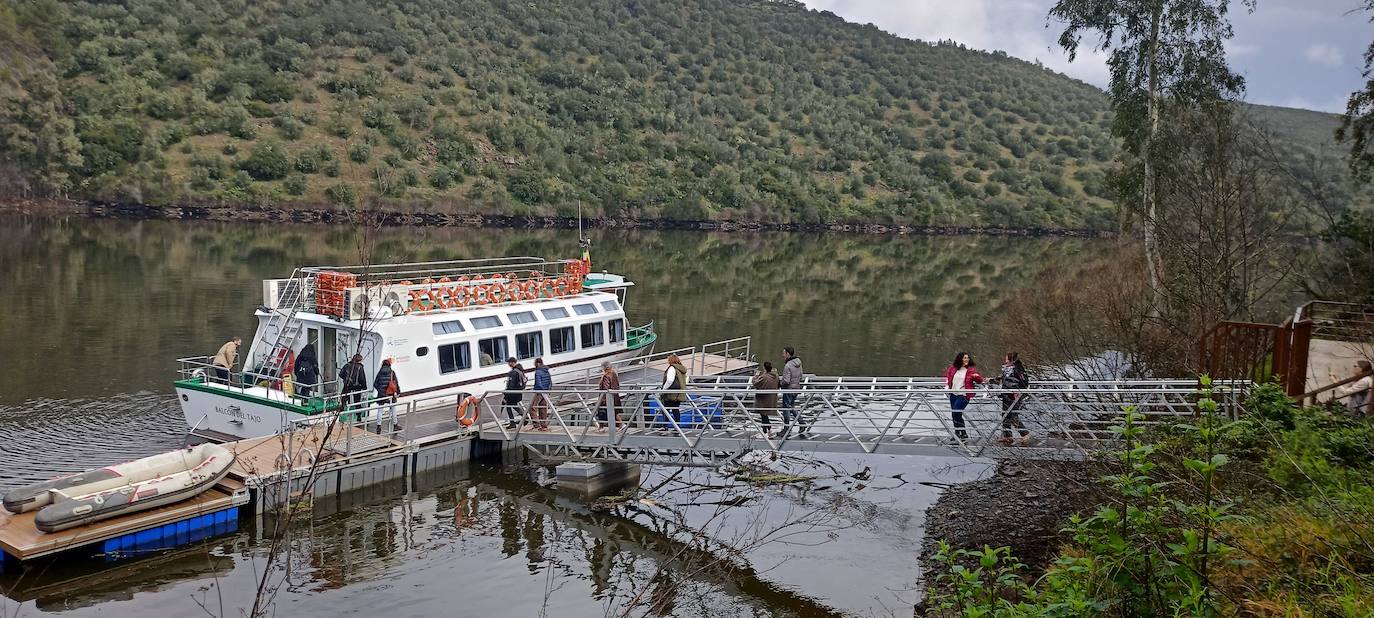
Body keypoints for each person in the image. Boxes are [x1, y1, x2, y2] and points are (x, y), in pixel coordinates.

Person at [943, 351, 984, 441]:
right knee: (955, 414)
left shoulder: (971, 370)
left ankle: (962, 432)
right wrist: (947, 387)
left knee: (956, 411)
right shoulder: (952, 369)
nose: (967, 359)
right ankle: (959, 433)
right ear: (960, 359)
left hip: (964, 394)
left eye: (968, 358)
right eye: (965, 358)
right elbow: (948, 379)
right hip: (954, 394)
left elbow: (980, 380)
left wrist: (976, 376)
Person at [995, 352, 1031, 445]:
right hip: (1006, 394)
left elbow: (1024, 382)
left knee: (1013, 416)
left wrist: (1018, 390)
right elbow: (1004, 380)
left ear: (1011, 360)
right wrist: (994, 380)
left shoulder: (1018, 369)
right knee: (1005, 416)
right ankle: (1007, 436)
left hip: (1014, 395)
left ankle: (1025, 434)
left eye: (1006, 359)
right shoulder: (1006, 368)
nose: (1005, 360)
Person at [779, 347, 804, 437]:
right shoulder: (799, 362)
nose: (782, 355)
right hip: (796, 388)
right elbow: (801, 376)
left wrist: (780, 384)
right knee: (791, 407)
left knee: (786, 408)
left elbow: (786, 381)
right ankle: (802, 422)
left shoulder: (788, 365)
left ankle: (786, 428)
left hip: (788, 390)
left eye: (783, 353)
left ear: (788, 354)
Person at [751, 361, 780, 436]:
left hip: (763, 399)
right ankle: (768, 431)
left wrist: (756, 376)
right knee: (764, 415)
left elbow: (755, 383)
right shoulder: (775, 376)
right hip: (772, 398)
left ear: (764, 368)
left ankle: (765, 432)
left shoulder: (764, 377)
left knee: (763, 414)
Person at [659, 354, 688, 426]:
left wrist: (663, 390)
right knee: (675, 409)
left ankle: (665, 427)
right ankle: (677, 427)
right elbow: (686, 380)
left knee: (666, 409)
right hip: (679, 393)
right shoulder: (681, 369)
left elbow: (670, 380)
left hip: (671, 393)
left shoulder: (672, 368)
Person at [373, 358, 401, 431]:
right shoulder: (392, 373)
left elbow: (375, 384)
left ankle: (378, 427)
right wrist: (398, 392)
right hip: (390, 394)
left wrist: (380, 390)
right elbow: (396, 383)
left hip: (381, 395)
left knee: (380, 410)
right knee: (393, 410)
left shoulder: (380, 373)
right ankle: (395, 425)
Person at [597, 361, 622, 431]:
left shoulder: (606, 376)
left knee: (602, 412)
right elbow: (617, 385)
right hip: (615, 396)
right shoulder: (614, 374)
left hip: (606, 397)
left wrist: (603, 398)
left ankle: (601, 427)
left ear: (605, 368)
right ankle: (621, 425)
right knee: (614, 411)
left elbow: (605, 388)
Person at [502, 357, 526, 429]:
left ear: (512, 362)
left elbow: (511, 385)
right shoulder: (520, 370)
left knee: (508, 406)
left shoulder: (513, 372)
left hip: (512, 393)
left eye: (509, 362)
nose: (508, 364)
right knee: (514, 405)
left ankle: (513, 423)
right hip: (518, 392)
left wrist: (506, 394)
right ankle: (525, 417)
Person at [530, 358, 552, 431]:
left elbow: (538, 383)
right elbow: (550, 382)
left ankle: (537, 425)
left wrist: (540, 390)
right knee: (543, 409)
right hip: (546, 392)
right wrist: (548, 391)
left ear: (538, 363)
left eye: (535, 363)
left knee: (532, 408)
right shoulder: (546, 371)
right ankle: (544, 426)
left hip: (539, 392)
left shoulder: (538, 372)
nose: (534, 365)